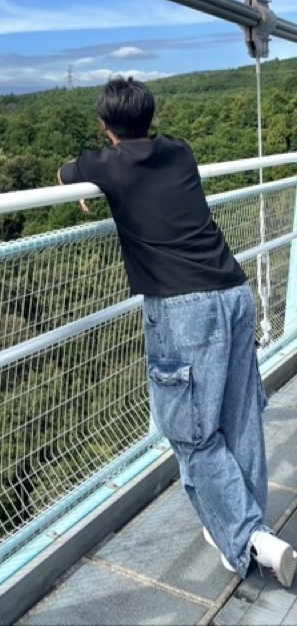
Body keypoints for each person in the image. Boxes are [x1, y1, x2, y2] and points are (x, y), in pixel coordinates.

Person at [57, 75, 296, 586]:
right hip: (234, 291)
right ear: (151, 116)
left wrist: (83, 183)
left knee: (190, 434)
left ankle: (249, 538)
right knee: (240, 417)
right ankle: (240, 528)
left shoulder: (107, 165)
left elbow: (67, 169)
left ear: (105, 127)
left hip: (183, 309)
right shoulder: (179, 151)